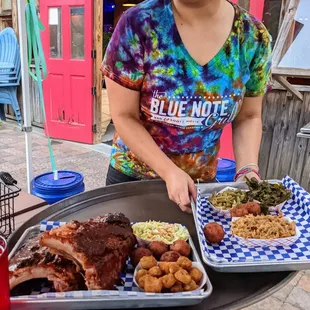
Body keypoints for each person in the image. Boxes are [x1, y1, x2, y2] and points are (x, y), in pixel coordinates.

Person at [102, 0, 271, 213]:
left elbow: (248, 117)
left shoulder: (252, 36)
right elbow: (124, 115)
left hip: (200, 186)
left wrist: (247, 170)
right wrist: (169, 172)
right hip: (134, 181)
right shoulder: (138, 24)